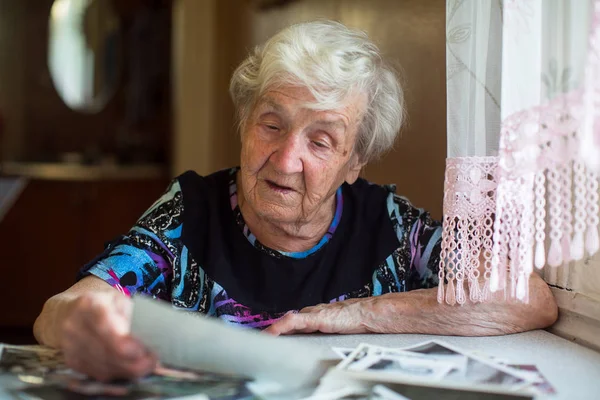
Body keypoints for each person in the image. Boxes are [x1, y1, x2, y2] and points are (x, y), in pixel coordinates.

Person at [33, 20, 558, 382]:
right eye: (271, 124)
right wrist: (82, 325)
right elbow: (67, 309)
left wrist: (357, 315)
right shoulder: (189, 212)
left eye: (321, 141)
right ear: (244, 123)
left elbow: (527, 297)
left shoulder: (392, 227)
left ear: (355, 162)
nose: (285, 160)